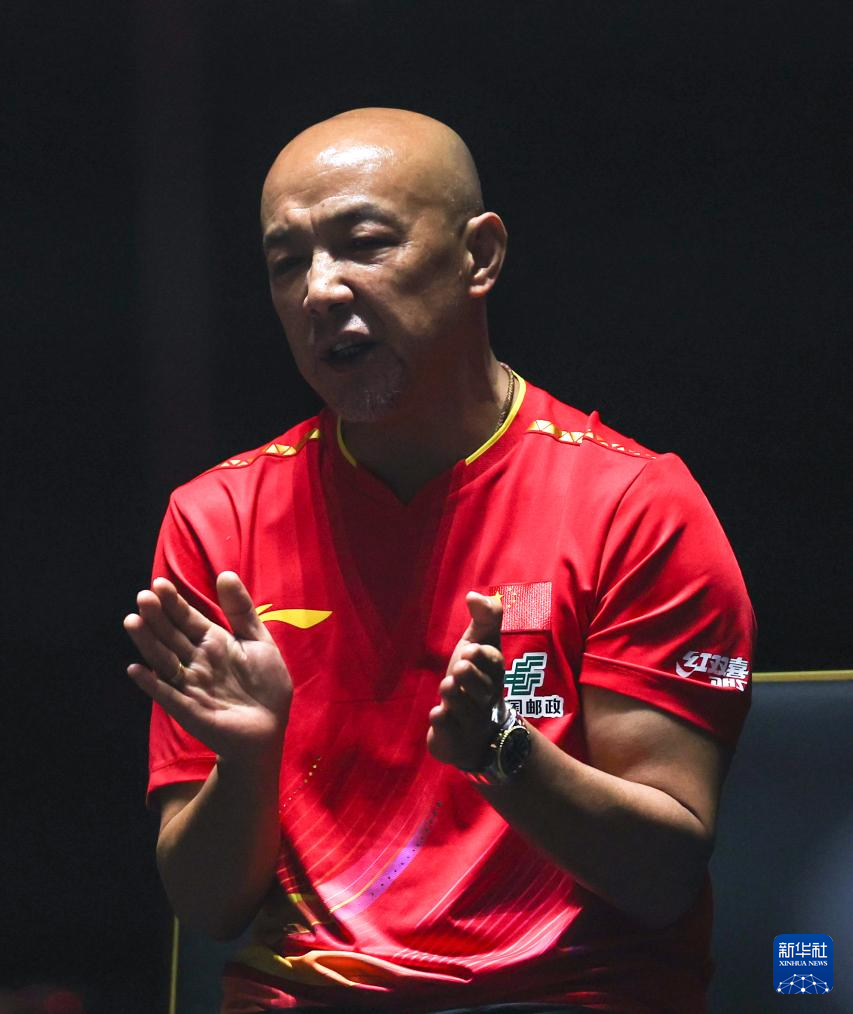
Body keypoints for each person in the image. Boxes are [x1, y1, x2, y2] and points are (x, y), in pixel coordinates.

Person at [124, 108, 755, 1014]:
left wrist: (504, 754)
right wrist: (248, 759)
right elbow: (206, 905)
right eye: (287, 262)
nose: (319, 290)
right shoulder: (216, 519)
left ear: (479, 256)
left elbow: (661, 878)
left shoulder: (633, 505)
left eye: (363, 244)